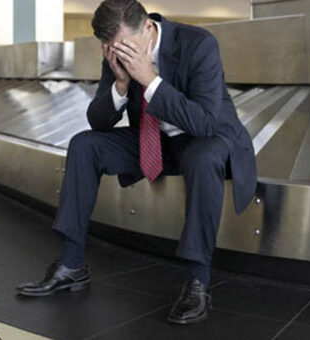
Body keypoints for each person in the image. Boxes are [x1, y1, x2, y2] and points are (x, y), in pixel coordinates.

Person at [16, 0, 257, 325]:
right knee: (84, 145)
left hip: (206, 139)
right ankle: (72, 265)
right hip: (154, 140)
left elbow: (204, 123)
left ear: (147, 27)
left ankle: (199, 281)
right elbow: (97, 121)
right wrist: (120, 84)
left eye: (129, 47)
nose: (123, 54)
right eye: (114, 49)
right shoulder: (116, 52)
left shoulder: (198, 44)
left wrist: (150, 79)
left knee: (203, 157)